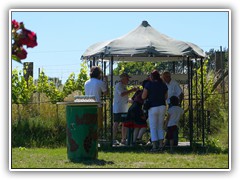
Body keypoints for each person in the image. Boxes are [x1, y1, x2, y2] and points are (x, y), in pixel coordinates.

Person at [142, 70, 168, 152]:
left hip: (153, 107)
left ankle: (154, 146)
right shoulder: (163, 84)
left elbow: (143, 96)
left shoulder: (148, 84)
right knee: (160, 126)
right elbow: (166, 97)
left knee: (153, 127)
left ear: (152, 77)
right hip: (162, 106)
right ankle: (161, 145)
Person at [113, 73, 138, 145]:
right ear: (123, 78)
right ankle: (113, 139)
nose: (128, 80)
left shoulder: (124, 86)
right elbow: (122, 94)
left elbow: (125, 96)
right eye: (127, 78)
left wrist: (131, 100)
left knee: (124, 123)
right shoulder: (118, 85)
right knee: (116, 123)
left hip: (124, 108)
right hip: (118, 108)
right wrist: (132, 90)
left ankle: (123, 139)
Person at [84, 66, 108, 136]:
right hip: (97, 105)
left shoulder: (86, 82)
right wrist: (106, 82)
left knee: (90, 124)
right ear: (99, 74)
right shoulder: (99, 82)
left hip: (88, 105)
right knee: (98, 124)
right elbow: (106, 93)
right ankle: (98, 139)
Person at [124, 80, 149, 145]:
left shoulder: (138, 92)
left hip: (132, 108)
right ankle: (138, 139)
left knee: (137, 126)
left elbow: (132, 100)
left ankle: (134, 141)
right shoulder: (146, 93)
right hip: (137, 108)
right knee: (144, 125)